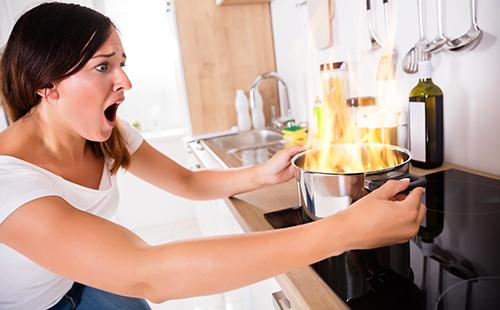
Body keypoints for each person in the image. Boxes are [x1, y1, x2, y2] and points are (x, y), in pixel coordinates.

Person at [0, 2, 426, 309]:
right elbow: (148, 273)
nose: (125, 81)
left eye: (122, 63)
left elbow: (187, 182)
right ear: (47, 86)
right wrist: (346, 229)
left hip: (82, 281)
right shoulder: (8, 183)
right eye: (102, 66)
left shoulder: (105, 136)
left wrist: (261, 174)